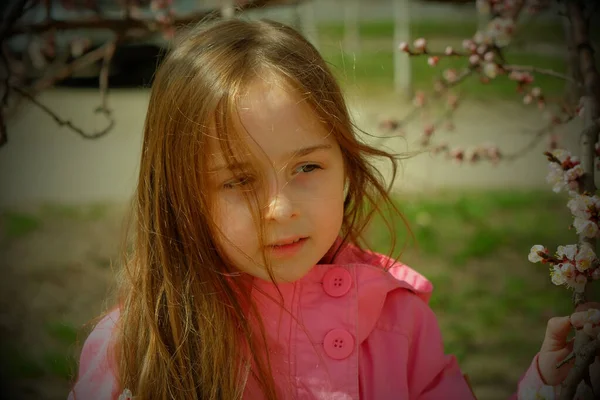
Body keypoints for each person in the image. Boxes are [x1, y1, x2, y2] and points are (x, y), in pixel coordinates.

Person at [67, 17, 599, 400]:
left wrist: (547, 388)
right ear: (179, 197)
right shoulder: (138, 345)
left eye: (307, 168)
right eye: (238, 180)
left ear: (346, 166)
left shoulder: (397, 322)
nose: (280, 208)